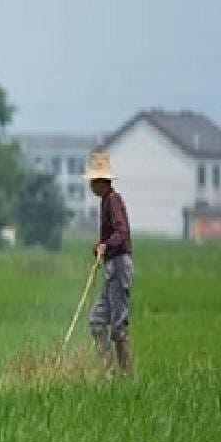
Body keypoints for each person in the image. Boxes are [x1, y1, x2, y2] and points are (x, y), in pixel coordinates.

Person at [84, 152, 134, 375]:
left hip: (120, 265)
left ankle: (127, 377)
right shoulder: (105, 202)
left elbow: (122, 232)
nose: (91, 185)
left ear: (101, 182)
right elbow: (112, 235)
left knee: (118, 328)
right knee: (96, 322)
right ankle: (108, 371)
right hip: (111, 266)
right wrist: (100, 247)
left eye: (93, 181)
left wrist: (107, 245)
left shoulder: (113, 200)